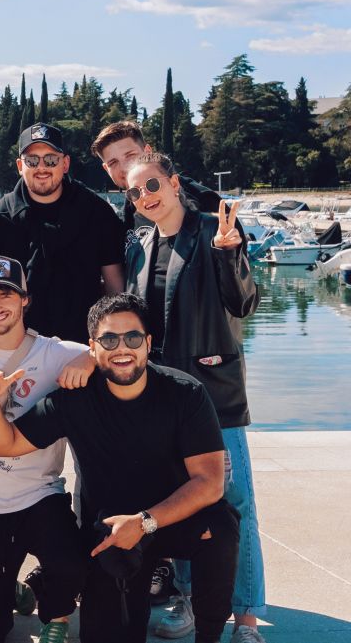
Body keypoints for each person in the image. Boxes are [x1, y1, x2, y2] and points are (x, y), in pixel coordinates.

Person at [0, 293, 239, 643]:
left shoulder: (185, 393)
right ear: (92, 348)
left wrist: (144, 522)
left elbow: (209, 483)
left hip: (167, 520)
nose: (122, 348)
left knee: (219, 526)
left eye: (133, 338)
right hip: (110, 533)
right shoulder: (74, 399)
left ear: (148, 343)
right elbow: (5, 444)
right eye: (109, 340)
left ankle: (210, 636)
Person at [123, 152, 266, 642]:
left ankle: (246, 618)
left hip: (214, 395)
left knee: (234, 504)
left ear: (174, 182)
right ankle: (188, 600)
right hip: (162, 400)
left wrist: (230, 254)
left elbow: (243, 302)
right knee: (180, 501)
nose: (145, 197)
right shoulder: (140, 246)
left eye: (152, 185)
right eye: (135, 192)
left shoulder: (212, 231)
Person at [0, 257, 93, 643]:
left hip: (38, 495)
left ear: (25, 299)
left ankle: (54, 611)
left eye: (6, 294)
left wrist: (89, 359)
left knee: (72, 565)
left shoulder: (54, 353)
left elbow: (112, 348)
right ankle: (9, 588)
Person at [0, 122, 125, 345]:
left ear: (65, 164)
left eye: (50, 160)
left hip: (85, 346)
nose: (41, 168)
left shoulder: (97, 212)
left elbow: (115, 286)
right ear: (20, 165)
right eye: (32, 160)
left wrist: (111, 341)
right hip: (20, 348)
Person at [90, 120, 222, 233]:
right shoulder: (127, 211)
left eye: (130, 155)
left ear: (148, 152)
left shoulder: (202, 199)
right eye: (113, 163)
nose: (124, 167)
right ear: (106, 169)